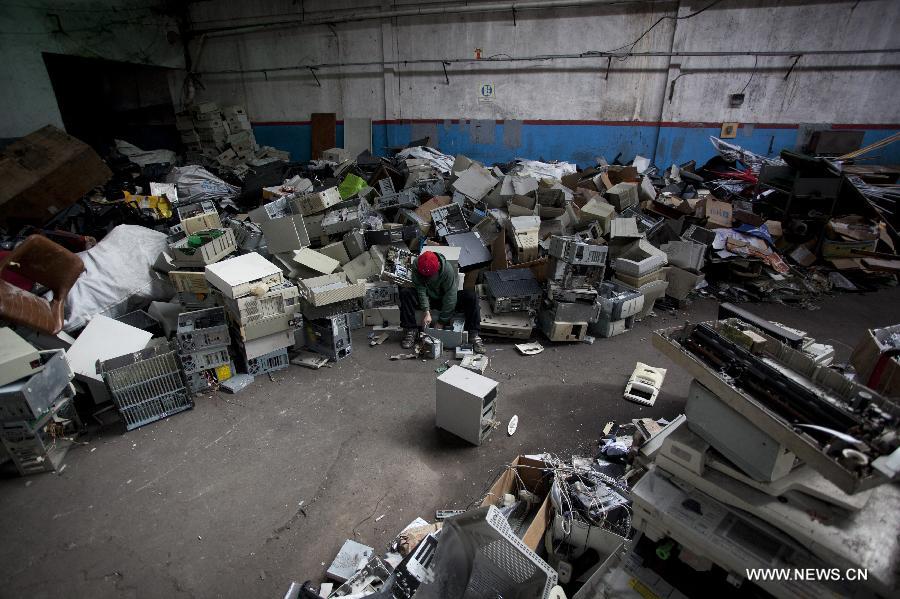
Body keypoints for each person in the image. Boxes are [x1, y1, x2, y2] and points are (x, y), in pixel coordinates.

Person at [400, 250, 484, 354]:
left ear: (438, 266)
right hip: (429, 298)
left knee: (471, 296)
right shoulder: (417, 266)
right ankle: (410, 330)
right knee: (405, 293)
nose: (428, 279)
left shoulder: (447, 270)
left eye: (430, 276)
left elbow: (450, 297)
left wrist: (441, 321)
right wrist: (426, 311)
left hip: (444, 298)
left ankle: (473, 334)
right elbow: (421, 290)